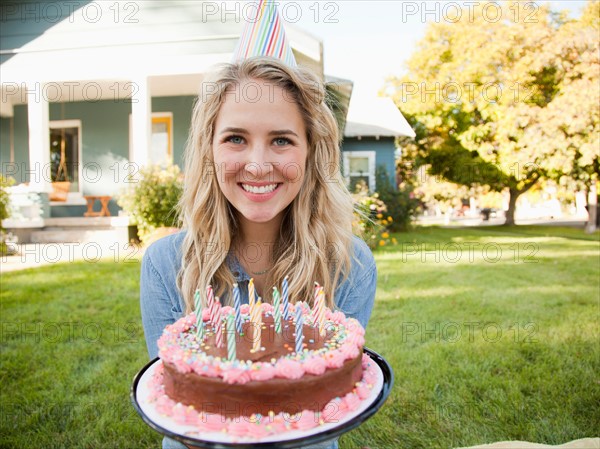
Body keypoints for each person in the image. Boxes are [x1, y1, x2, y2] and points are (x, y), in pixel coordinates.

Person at [140, 56, 377, 449]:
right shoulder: (166, 264)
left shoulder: (349, 264)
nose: (258, 165)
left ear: (310, 152)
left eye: (281, 140)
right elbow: (176, 397)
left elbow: (332, 401)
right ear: (209, 149)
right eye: (236, 138)